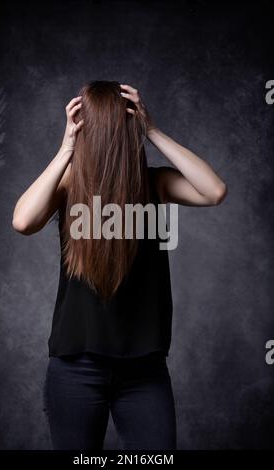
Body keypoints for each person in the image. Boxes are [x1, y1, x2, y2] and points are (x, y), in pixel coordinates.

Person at [12, 80, 227, 450]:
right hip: (75, 366)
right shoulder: (69, 184)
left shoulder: (154, 183)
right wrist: (65, 149)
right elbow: (22, 221)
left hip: (144, 370)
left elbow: (214, 190)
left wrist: (155, 131)